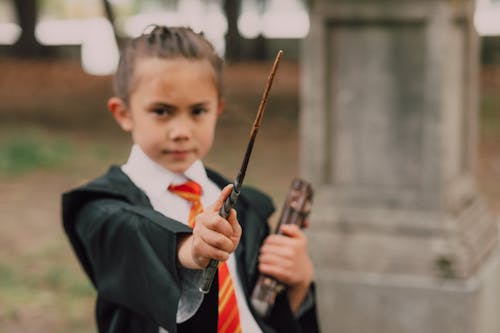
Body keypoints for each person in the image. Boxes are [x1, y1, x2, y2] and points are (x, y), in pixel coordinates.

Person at [62, 25, 320, 333]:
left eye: (198, 111)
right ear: (123, 113)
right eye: (162, 111)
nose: (182, 130)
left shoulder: (246, 210)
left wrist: (298, 284)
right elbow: (135, 238)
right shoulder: (100, 209)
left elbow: (263, 314)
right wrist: (191, 249)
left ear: (218, 109)